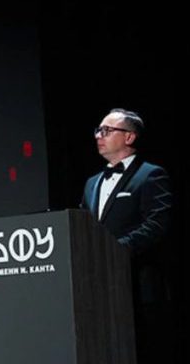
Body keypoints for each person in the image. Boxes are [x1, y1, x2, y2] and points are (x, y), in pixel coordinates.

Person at [80, 108, 173, 363]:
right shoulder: (92, 182)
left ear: (129, 137)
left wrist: (115, 252)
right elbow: (84, 227)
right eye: (98, 130)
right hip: (98, 287)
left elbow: (156, 225)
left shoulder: (150, 175)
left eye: (107, 130)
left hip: (137, 283)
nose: (98, 135)